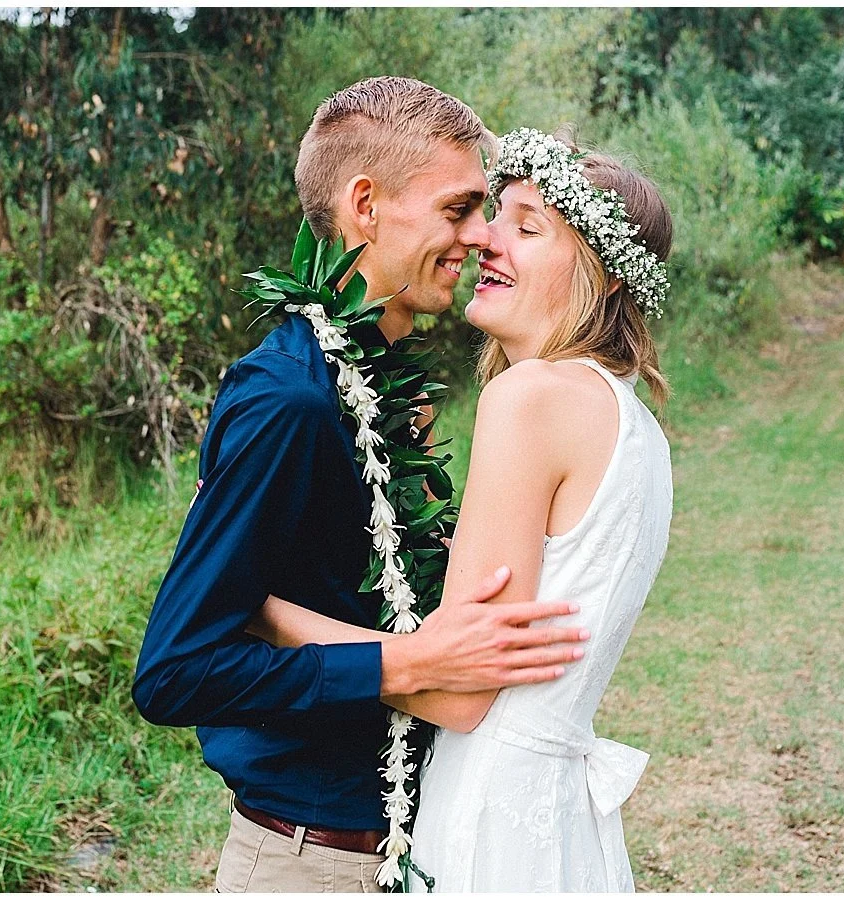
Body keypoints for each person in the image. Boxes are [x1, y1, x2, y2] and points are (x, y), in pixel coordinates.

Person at [132, 81, 588, 895]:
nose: (482, 237)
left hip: (423, 844)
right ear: (366, 206)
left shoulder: (389, 389)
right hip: (312, 861)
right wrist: (400, 664)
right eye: (460, 210)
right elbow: (176, 669)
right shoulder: (289, 400)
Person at [249, 128, 675, 891]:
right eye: (491, 216)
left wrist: (264, 607)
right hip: (557, 817)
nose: (486, 242)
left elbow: (455, 690)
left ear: (606, 276)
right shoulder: (631, 420)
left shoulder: (532, 398)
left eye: (526, 226)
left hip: (491, 810)